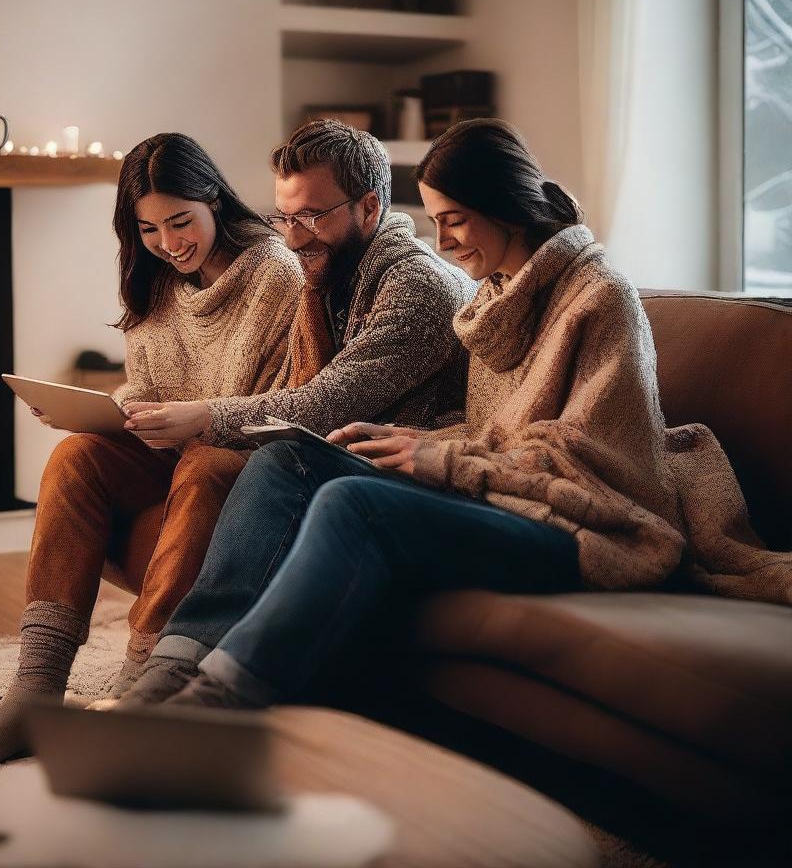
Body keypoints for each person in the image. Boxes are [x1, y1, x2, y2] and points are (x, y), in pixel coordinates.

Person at [120, 118, 792, 711]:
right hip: (513, 504)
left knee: (356, 504)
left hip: (589, 530)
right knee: (284, 459)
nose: (444, 242)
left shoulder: (599, 299)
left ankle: (222, 697)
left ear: (507, 207)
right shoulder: (496, 301)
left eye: (455, 219)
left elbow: (594, 463)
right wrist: (412, 439)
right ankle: (173, 665)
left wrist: (438, 457)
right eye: (437, 221)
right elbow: (493, 438)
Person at [0, 132, 304, 773]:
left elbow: (281, 406)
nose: (170, 242)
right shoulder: (156, 276)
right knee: (76, 454)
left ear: (214, 199)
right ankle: (35, 687)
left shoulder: (273, 271)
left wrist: (190, 424)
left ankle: (139, 684)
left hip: (239, 459)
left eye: (182, 221)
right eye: (150, 228)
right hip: (166, 445)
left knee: (209, 466)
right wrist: (106, 412)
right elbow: (150, 386)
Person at [105, 118, 476, 704]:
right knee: (89, 456)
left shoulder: (419, 286)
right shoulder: (330, 275)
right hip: (359, 457)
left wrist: (203, 415)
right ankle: (65, 678)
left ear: (370, 208)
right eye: (284, 217)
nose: (294, 237)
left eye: (312, 216)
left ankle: (175, 673)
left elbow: (324, 403)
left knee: (279, 460)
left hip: (421, 471)